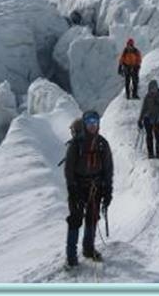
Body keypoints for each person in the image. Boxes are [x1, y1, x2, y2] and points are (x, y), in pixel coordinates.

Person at [64, 110, 113, 267]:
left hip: (96, 187)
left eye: (95, 122)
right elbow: (69, 169)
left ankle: (88, 249)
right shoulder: (76, 145)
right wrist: (72, 189)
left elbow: (108, 169)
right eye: (89, 122)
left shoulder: (102, 144)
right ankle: (71, 258)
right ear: (84, 124)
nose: (93, 125)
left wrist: (107, 191)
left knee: (92, 218)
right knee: (75, 219)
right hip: (78, 187)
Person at [137, 80, 159, 160]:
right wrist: (140, 119)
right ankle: (150, 153)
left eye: (154, 88)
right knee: (149, 136)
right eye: (151, 89)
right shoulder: (147, 97)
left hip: (157, 121)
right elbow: (144, 108)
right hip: (148, 119)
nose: (153, 90)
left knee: (158, 137)